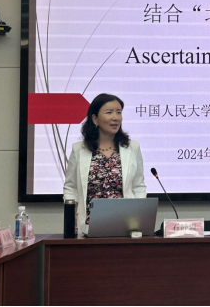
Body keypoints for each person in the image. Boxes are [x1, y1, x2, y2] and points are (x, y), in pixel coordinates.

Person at [63, 93, 147, 235]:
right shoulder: (79, 149)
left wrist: (138, 219)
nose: (116, 117)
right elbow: (70, 187)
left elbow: (138, 186)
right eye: (109, 112)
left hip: (125, 226)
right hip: (88, 227)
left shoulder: (132, 148)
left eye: (119, 112)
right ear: (95, 119)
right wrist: (72, 218)